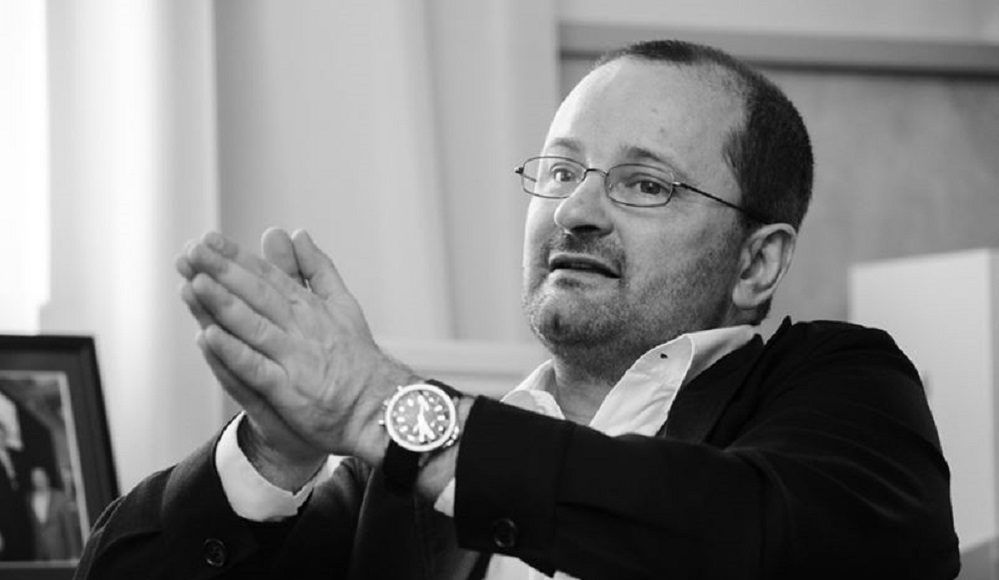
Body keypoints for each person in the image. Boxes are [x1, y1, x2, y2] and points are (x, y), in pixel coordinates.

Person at [75, 40, 959, 579]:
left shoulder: (839, 382)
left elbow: (753, 539)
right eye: (561, 170)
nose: (574, 209)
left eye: (643, 183)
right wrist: (276, 451)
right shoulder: (403, 477)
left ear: (757, 260)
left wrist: (386, 413)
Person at [27, 466, 84, 560]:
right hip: (39, 553)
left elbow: (69, 528)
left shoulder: (60, 498)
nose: (38, 480)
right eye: (35, 478)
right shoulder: (29, 499)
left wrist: (74, 555)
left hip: (59, 551)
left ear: (47, 478)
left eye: (40, 477)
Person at [0, 420, 35, 561]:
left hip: (22, 509)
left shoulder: (18, 455)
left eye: (2, 434)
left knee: (26, 546)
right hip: (3, 514)